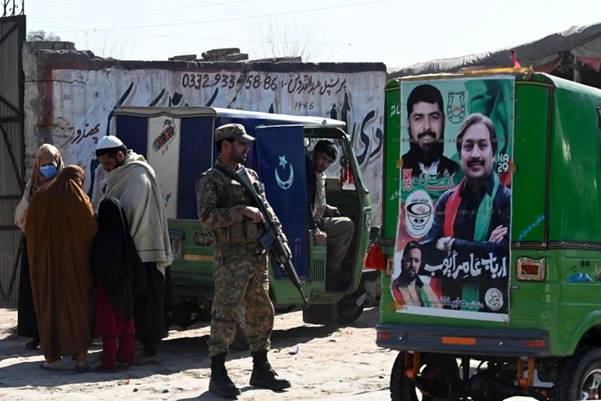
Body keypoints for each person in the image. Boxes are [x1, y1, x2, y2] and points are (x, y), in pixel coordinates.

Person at [197, 123, 291, 398]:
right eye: (240, 144)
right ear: (225, 145)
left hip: (256, 256)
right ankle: (218, 373)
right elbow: (207, 218)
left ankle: (261, 368)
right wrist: (241, 211)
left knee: (261, 312)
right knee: (225, 314)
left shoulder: (249, 175)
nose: (246, 148)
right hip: (231, 258)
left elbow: (267, 211)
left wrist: (280, 239)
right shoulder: (211, 179)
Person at [95, 135, 173, 362]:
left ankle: (148, 346)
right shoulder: (120, 174)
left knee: (146, 300)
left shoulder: (137, 174)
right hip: (127, 250)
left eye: (108, 163)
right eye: (102, 164)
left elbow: (130, 211)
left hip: (143, 248)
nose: (105, 168)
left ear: (119, 156)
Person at [424, 113, 511, 309]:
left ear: (494, 152)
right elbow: (428, 253)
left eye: (483, 145)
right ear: (460, 153)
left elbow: (504, 253)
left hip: (494, 308)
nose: (475, 155)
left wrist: (451, 244)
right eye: (468, 146)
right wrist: (485, 246)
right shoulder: (447, 200)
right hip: (451, 306)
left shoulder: (506, 200)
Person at [25, 165, 97, 372]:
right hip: (76, 270)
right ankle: (81, 358)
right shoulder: (80, 200)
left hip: (46, 269)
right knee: (79, 310)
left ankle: (52, 358)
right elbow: (90, 231)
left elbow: (30, 229)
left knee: (50, 309)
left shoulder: (40, 197)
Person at [14, 144, 64, 350]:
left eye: (51, 164)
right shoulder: (31, 187)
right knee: (36, 289)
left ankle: (59, 335)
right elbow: (21, 216)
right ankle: (37, 333)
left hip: (58, 247)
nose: (47, 168)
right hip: (35, 244)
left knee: (56, 291)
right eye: (43, 165)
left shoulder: (65, 185)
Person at [91, 198, 143, 371]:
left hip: (108, 289)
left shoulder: (102, 239)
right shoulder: (127, 239)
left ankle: (109, 362)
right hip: (126, 288)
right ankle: (127, 358)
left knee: (109, 325)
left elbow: (97, 263)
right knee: (126, 321)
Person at [305, 140, 354, 290]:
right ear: (315, 153)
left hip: (316, 219)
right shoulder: (307, 170)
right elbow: (304, 203)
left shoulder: (319, 173)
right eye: (323, 158)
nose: (324, 164)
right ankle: (331, 273)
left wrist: (326, 207)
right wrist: (315, 230)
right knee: (347, 226)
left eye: (329, 162)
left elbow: (315, 198)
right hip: (310, 224)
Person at [401, 84, 458, 178]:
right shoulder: (398, 167)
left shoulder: (456, 171)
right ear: (408, 124)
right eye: (418, 118)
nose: (427, 126)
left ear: (443, 120)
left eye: (434, 117)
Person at [391, 242, 441, 308]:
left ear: (420, 264)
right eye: (409, 260)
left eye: (416, 261)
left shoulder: (427, 290)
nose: (413, 264)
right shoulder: (393, 287)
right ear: (402, 262)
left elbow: (438, 311)